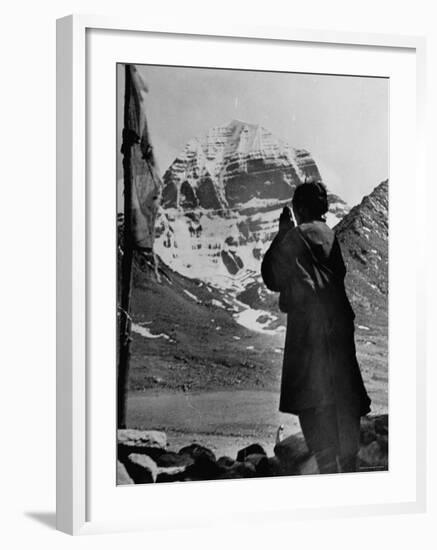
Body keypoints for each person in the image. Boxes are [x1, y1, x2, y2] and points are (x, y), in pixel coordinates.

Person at [261, 180, 371, 474]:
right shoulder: (330, 236)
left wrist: (283, 232)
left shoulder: (297, 236)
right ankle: (348, 466)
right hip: (338, 325)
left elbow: (271, 276)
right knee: (342, 396)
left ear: (301, 208)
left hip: (309, 330)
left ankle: (327, 469)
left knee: (312, 398)